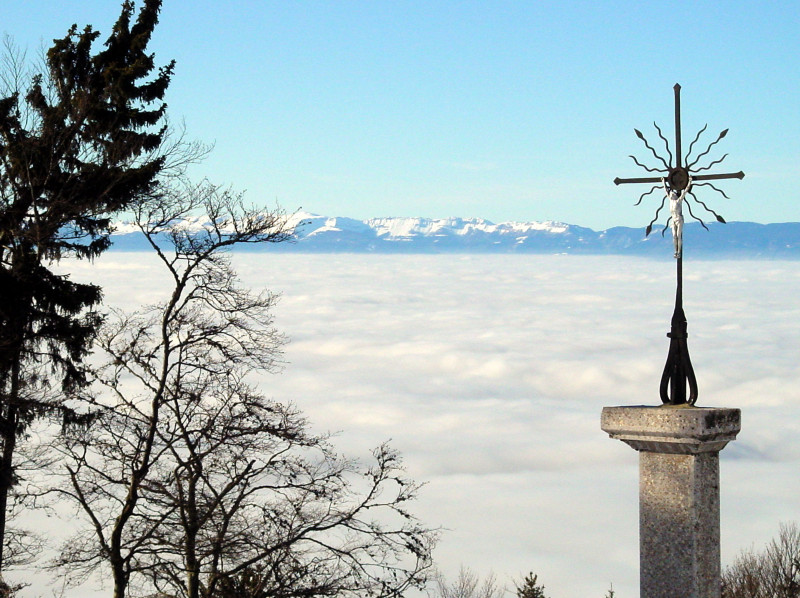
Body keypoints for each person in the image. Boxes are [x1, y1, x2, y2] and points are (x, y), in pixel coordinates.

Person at [661, 176, 692, 258]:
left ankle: (678, 251)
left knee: (678, 236)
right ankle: (675, 251)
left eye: (672, 194)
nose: (671, 195)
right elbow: (665, 191)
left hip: (679, 219)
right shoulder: (670, 200)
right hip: (673, 219)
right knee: (674, 236)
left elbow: (685, 191)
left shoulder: (679, 200)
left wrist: (689, 181)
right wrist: (663, 182)